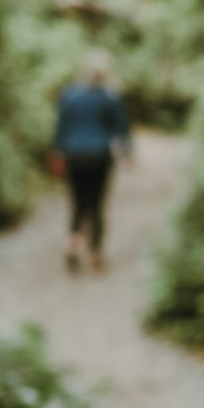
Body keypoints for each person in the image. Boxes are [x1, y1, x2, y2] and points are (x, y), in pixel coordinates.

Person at [52, 51, 131, 271]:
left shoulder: (69, 95)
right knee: (96, 204)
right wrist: (126, 156)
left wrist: (58, 154)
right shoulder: (110, 97)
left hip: (74, 155)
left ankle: (72, 247)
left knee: (77, 202)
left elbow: (60, 128)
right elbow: (120, 129)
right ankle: (95, 254)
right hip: (99, 157)